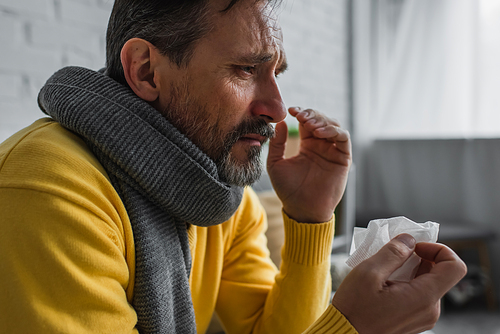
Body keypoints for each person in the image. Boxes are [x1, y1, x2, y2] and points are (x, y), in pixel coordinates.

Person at [0, 0, 466, 333]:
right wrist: (353, 330)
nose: (277, 108)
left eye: (275, 74)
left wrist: (309, 217)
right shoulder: (48, 190)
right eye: (245, 69)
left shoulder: (220, 197)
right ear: (145, 71)